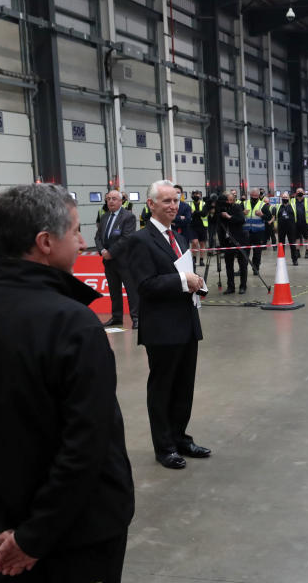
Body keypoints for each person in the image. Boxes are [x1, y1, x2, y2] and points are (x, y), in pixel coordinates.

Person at [0, 183, 134, 582]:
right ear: (45, 242)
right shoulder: (74, 324)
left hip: (6, 536)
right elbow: (85, 445)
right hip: (81, 535)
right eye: (75, 231)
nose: (81, 242)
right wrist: (34, 539)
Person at [129, 180, 210, 470]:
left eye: (175, 201)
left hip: (186, 321)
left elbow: (183, 274)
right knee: (162, 387)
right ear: (151, 204)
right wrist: (182, 281)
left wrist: (195, 284)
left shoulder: (178, 237)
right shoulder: (141, 240)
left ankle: (180, 437)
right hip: (162, 328)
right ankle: (164, 446)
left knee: (184, 386)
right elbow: (145, 284)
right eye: (166, 201)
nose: (173, 206)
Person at [96, 190, 139, 329]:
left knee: (131, 290)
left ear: (121, 201)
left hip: (124, 261)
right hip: (109, 262)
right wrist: (102, 250)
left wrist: (111, 252)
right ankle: (116, 317)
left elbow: (126, 238)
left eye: (114, 198)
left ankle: (136, 318)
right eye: (108, 199)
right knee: (114, 291)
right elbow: (97, 237)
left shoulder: (128, 217)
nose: (111, 201)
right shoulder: (104, 217)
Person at [217, 191, 249, 294]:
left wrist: (229, 217)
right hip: (227, 241)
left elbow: (241, 220)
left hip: (239, 239)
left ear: (234, 200)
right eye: (227, 200)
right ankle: (231, 287)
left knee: (242, 264)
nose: (229, 202)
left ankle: (243, 286)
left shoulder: (237, 207)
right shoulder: (222, 209)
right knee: (228, 265)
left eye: (231, 200)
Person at [243, 188, 270, 276]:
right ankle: (243, 269)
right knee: (244, 252)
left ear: (259, 195)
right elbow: (237, 214)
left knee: (257, 252)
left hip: (258, 233)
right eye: (252, 195)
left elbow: (269, 217)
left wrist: (262, 215)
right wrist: (242, 213)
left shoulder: (263, 205)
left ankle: (256, 268)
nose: (254, 197)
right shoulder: (244, 203)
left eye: (256, 196)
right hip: (246, 233)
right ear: (250, 195)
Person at [276, 191, 300, 265]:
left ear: (289, 198)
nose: (285, 198)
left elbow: (297, 217)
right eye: (283, 197)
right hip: (281, 228)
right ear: (281, 198)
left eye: (286, 197)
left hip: (291, 228)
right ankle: (281, 260)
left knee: (292, 244)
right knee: (281, 245)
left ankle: (295, 260)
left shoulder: (293, 206)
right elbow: (275, 217)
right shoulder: (278, 206)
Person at [189, 189, 209, 266]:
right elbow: (190, 214)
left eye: (198, 194)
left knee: (202, 244)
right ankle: (194, 259)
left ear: (200, 195)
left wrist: (194, 212)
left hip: (203, 226)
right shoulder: (190, 204)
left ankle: (201, 260)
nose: (196, 196)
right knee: (194, 242)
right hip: (193, 226)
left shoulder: (204, 204)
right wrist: (198, 213)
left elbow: (204, 214)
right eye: (194, 194)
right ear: (192, 196)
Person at [293, 188, 308, 258]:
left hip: (305, 222)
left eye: (301, 191)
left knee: (306, 238)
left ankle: (307, 251)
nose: (299, 193)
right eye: (298, 192)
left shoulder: (307, 200)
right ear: (296, 193)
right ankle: (297, 251)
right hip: (296, 222)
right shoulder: (292, 201)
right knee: (297, 238)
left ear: (303, 193)